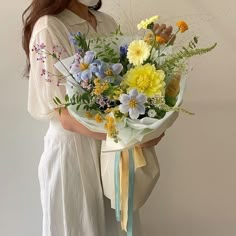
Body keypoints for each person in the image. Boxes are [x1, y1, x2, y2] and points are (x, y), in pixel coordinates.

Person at [22, 0, 171, 235]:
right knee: (78, 226)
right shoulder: (50, 28)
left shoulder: (106, 23)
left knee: (117, 227)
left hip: (114, 154)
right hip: (73, 154)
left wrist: (155, 51)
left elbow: (124, 88)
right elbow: (65, 116)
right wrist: (130, 137)